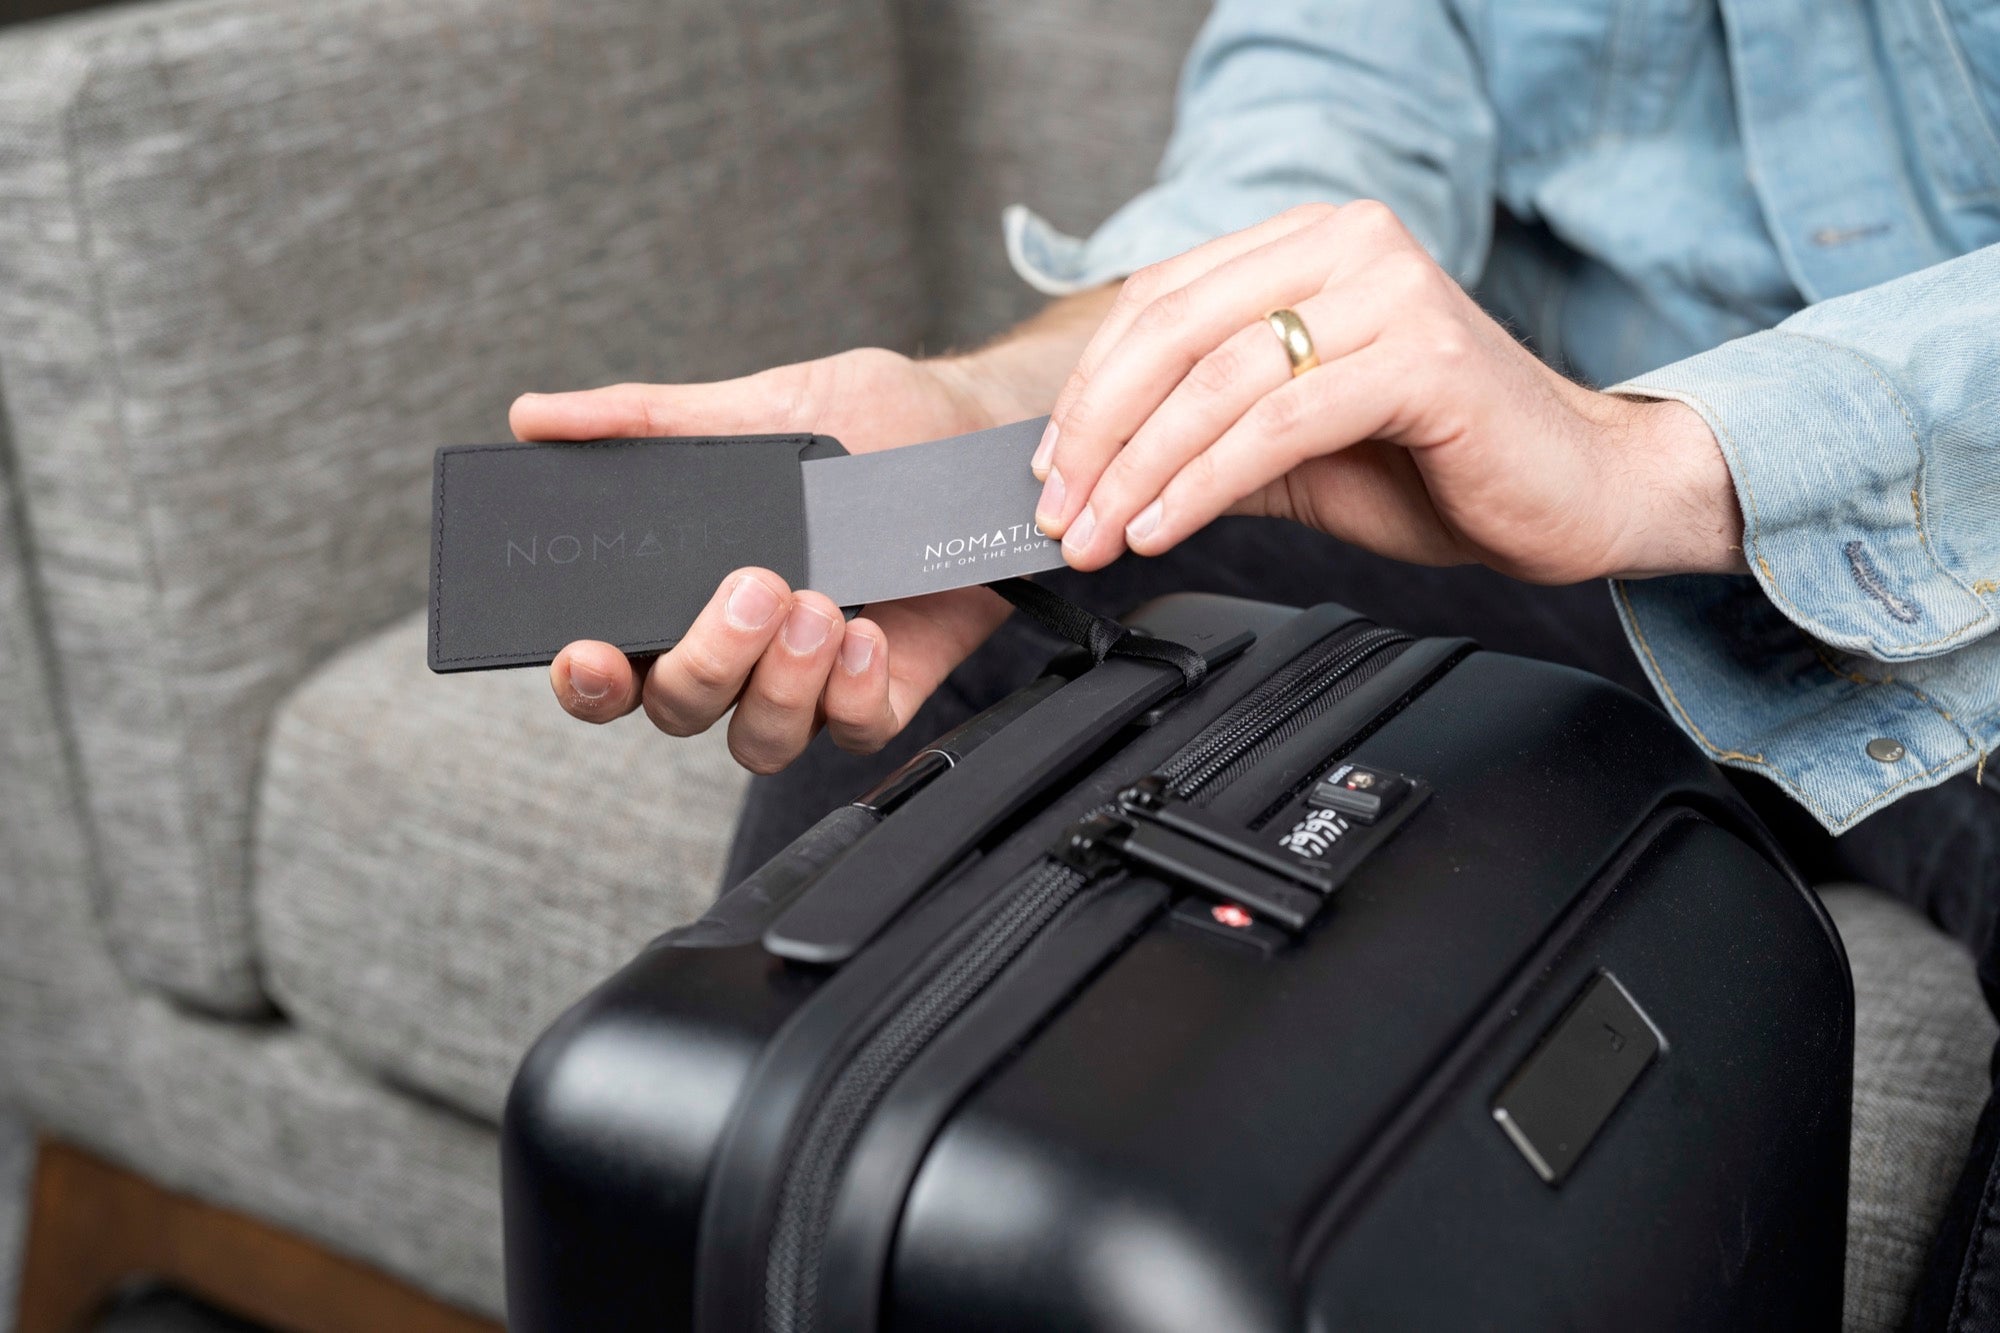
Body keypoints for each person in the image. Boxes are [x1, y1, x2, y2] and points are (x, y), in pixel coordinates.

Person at [512, 2, 2000, 1323]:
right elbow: (1313, 125)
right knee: (978, 628)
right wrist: (987, 417)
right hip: (1533, 530)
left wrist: (1640, 456)